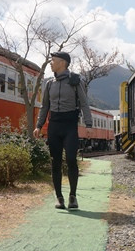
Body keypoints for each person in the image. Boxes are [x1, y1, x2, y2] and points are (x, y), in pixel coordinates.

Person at [33, 51, 92, 210]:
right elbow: (44, 106)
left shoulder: (75, 81)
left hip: (70, 126)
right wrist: (38, 126)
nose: (50, 63)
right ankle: (59, 197)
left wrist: (89, 125)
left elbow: (85, 104)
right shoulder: (49, 83)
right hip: (54, 126)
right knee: (55, 162)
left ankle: (73, 196)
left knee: (71, 160)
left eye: (53, 60)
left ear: (62, 63)